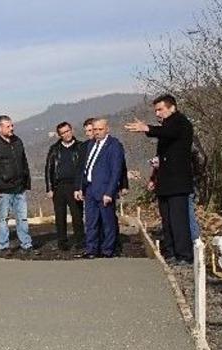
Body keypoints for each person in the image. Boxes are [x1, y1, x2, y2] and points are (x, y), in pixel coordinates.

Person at [125, 94, 194, 265]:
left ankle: (184, 255)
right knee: (167, 220)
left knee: (179, 221)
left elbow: (168, 132)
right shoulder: (167, 126)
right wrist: (154, 178)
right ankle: (171, 252)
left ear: (172, 107)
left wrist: (147, 128)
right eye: (155, 110)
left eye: (160, 109)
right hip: (165, 182)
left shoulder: (180, 122)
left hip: (178, 181)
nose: (157, 113)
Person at [0, 115, 34, 255]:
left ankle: (26, 244)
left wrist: (26, 182)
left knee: (22, 218)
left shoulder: (17, 141)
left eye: (12, 125)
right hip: (3, 190)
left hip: (19, 188)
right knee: (3, 219)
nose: (12, 128)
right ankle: (4, 246)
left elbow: (24, 163)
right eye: (8, 126)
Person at [75, 118, 125, 258]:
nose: (97, 132)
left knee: (107, 222)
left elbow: (116, 171)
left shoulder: (114, 145)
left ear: (107, 129)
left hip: (104, 190)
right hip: (90, 189)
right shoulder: (91, 145)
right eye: (95, 129)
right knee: (91, 222)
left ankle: (108, 250)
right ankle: (91, 249)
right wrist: (81, 188)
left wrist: (110, 192)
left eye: (100, 129)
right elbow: (85, 168)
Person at [44, 122, 85, 250]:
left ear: (72, 130)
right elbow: (48, 169)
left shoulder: (80, 147)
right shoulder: (54, 149)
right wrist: (49, 188)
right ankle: (62, 242)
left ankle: (80, 241)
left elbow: (84, 167)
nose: (66, 134)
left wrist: (82, 187)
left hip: (75, 186)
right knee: (60, 216)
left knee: (77, 215)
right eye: (63, 133)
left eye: (68, 131)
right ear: (59, 135)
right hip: (59, 187)